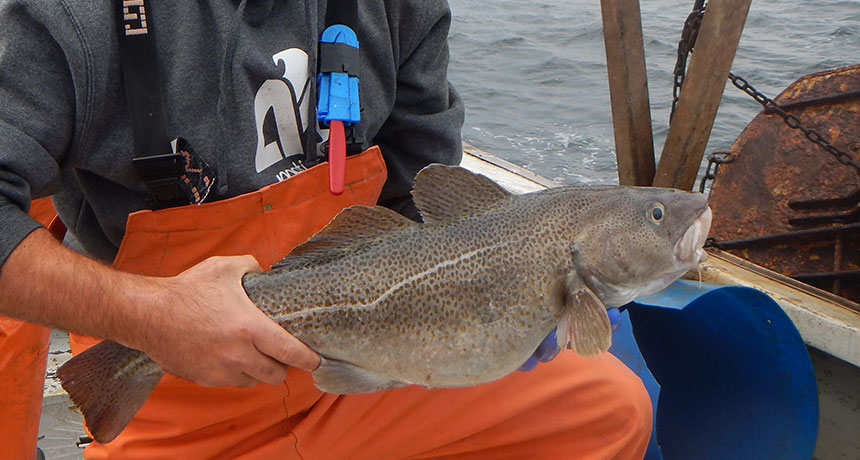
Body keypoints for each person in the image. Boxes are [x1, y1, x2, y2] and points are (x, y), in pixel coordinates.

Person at [0, 0, 652, 458]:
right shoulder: (71, 18)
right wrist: (153, 318)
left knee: (606, 414)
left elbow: (418, 194)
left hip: (365, 368)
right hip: (181, 404)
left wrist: (497, 300)